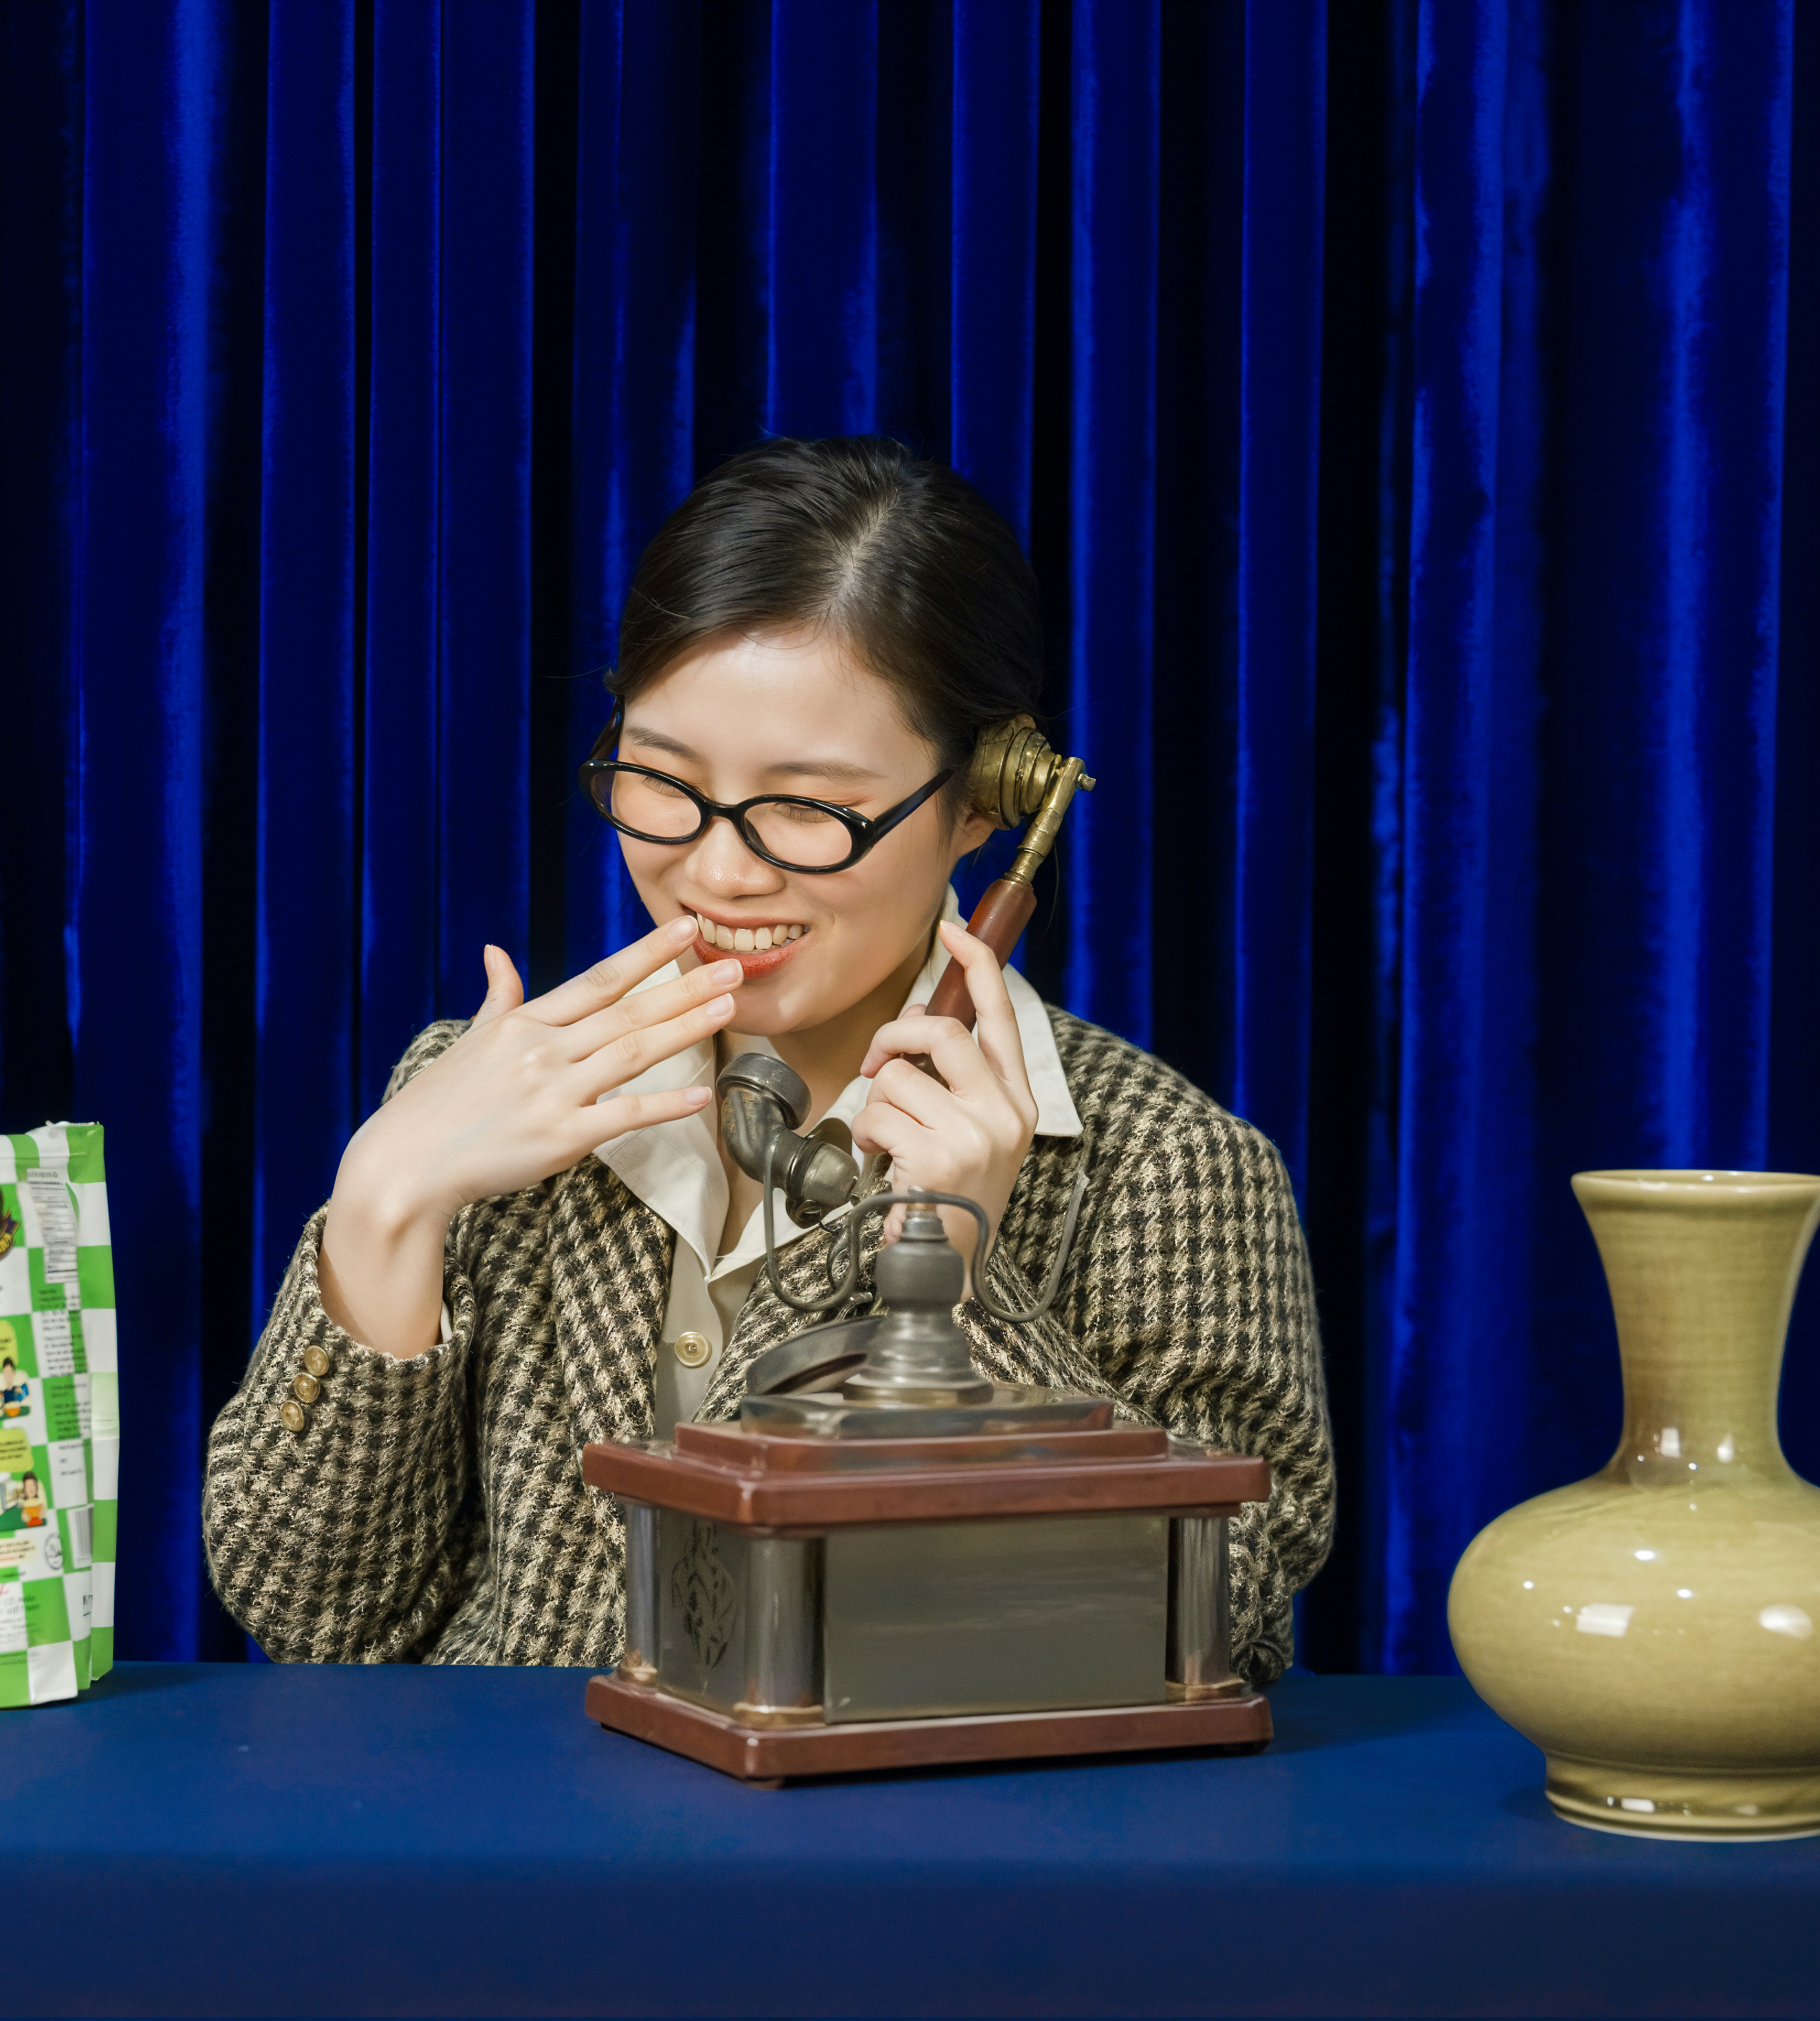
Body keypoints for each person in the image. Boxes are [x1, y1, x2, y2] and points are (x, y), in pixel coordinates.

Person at [204, 436, 1333, 1679]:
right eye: (660, 781)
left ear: (986, 801)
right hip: (498, 1850)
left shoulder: (1170, 1171)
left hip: (873, 1865)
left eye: (810, 808)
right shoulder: (483, 1095)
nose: (720, 870)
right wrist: (382, 1202)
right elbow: (315, 1615)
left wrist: (956, 1297)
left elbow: (1215, 1637)